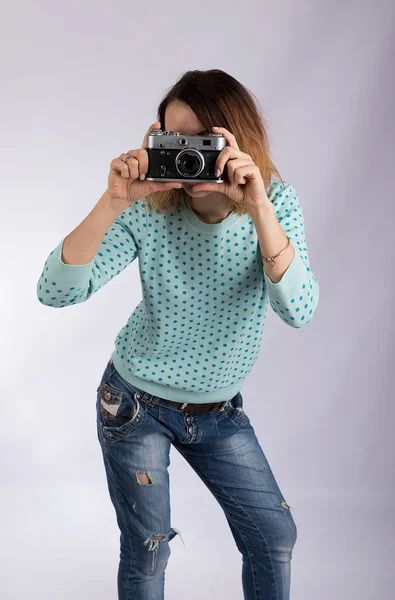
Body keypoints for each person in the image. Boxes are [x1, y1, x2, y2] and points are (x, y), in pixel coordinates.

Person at [37, 69, 319, 600]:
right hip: (134, 403)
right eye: (175, 141)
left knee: (274, 534)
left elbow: (299, 309)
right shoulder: (149, 208)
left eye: (203, 143)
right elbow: (56, 291)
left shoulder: (275, 201)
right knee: (149, 548)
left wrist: (258, 206)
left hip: (219, 411)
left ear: (237, 139)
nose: (189, 158)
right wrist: (115, 200)